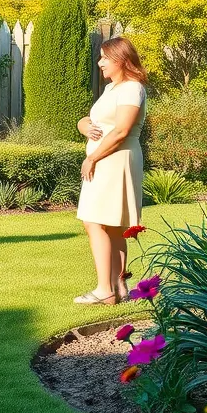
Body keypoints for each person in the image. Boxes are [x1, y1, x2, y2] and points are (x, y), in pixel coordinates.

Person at [74, 36, 148, 305]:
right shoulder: (113, 89)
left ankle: (104, 288)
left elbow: (121, 130)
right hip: (109, 159)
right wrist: (83, 126)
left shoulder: (131, 88)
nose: (100, 62)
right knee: (112, 224)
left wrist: (92, 157)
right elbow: (93, 120)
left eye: (105, 57)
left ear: (121, 59)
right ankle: (119, 289)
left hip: (114, 159)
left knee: (94, 220)